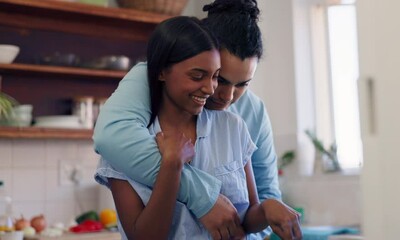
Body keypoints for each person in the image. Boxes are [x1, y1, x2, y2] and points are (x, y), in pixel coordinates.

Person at [93, 0, 302, 239]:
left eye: (243, 84)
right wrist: (176, 170)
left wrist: (265, 211)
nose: (225, 96)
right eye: (220, 79)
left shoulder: (237, 125)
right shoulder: (130, 139)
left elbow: (258, 204)